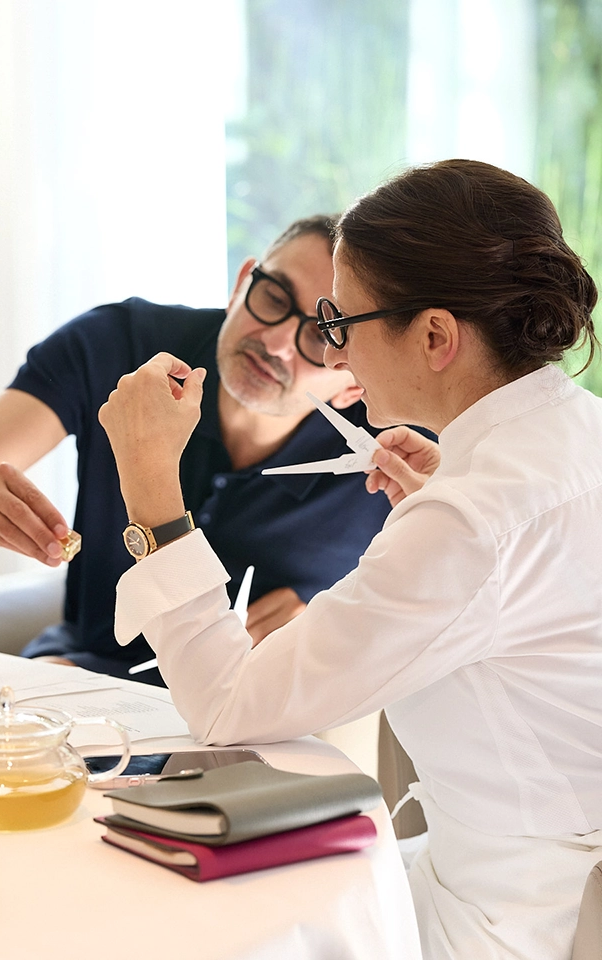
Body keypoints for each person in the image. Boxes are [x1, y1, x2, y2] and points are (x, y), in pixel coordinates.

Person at [98, 159, 602, 959]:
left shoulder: (472, 521)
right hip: (534, 886)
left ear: (435, 335)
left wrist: (150, 486)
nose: (331, 353)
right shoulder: (568, 441)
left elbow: (230, 707)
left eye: (341, 322)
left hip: (504, 925)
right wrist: (450, 498)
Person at [0, 215, 395, 680]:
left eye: (321, 333)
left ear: (353, 380)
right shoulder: (120, 343)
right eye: (272, 297)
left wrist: (330, 624)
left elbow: (433, 614)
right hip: (77, 678)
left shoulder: (394, 452)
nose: (277, 342)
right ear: (241, 282)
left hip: (247, 721)